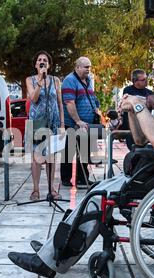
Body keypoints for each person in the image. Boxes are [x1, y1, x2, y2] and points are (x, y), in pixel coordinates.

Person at [8, 51, 154, 278]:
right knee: (96, 192)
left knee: (96, 197)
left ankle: (51, 258)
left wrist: (139, 106)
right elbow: (140, 140)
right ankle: (54, 248)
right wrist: (133, 112)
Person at [26, 50, 64, 201]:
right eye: (39, 60)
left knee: (51, 157)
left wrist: (61, 123)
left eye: (45, 60)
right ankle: (35, 190)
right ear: (36, 64)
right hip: (37, 122)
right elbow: (34, 99)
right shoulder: (30, 80)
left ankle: (52, 189)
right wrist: (40, 81)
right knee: (36, 157)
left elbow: (60, 103)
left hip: (53, 122)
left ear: (49, 64)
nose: (42, 62)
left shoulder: (56, 80)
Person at [60, 57, 100, 188]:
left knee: (84, 151)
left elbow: (92, 97)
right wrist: (77, 120)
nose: (89, 69)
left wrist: (96, 109)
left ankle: (82, 178)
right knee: (69, 150)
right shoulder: (70, 80)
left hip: (86, 124)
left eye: (89, 67)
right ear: (77, 67)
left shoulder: (87, 81)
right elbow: (69, 102)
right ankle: (66, 179)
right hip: (73, 123)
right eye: (86, 67)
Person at [120, 69, 154, 150]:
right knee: (133, 149)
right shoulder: (128, 90)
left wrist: (152, 103)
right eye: (143, 79)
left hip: (146, 126)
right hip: (131, 126)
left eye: (146, 79)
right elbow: (126, 105)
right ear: (135, 81)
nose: (146, 81)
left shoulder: (150, 92)